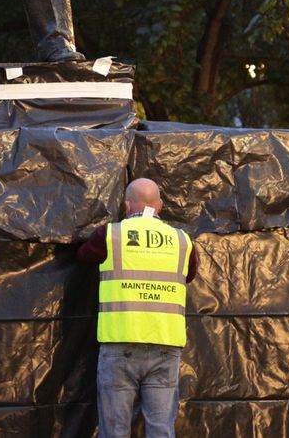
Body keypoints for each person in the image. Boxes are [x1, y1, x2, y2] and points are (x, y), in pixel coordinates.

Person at [76, 178, 198, 438]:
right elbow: (189, 275)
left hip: (120, 344)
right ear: (160, 205)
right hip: (165, 345)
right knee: (161, 430)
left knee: (115, 431)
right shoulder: (182, 241)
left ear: (127, 205)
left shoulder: (110, 235)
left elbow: (84, 256)